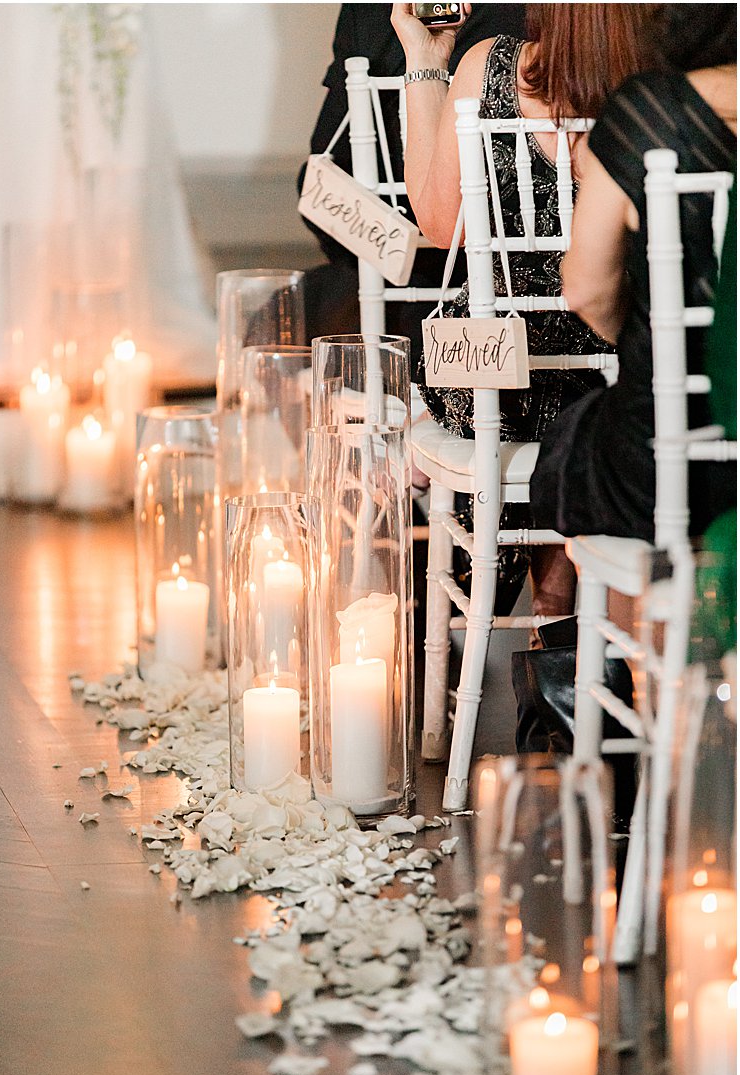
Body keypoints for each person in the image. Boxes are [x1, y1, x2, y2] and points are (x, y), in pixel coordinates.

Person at [391, 1, 659, 617]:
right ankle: (560, 611)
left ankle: (540, 616)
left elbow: (440, 225)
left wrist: (426, 62)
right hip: (623, 370)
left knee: (529, 388)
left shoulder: (491, 67)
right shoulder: (665, 96)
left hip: (494, 379)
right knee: (587, 388)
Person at [535, 5, 738, 543]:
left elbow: (584, 289)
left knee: (571, 449)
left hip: (675, 448)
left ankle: (629, 624)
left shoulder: (649, 111)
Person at [300, 3, 527, 347]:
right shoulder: (370, 14)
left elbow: (324, 168)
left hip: (498, 286)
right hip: (402, 264)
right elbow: (326, 172)